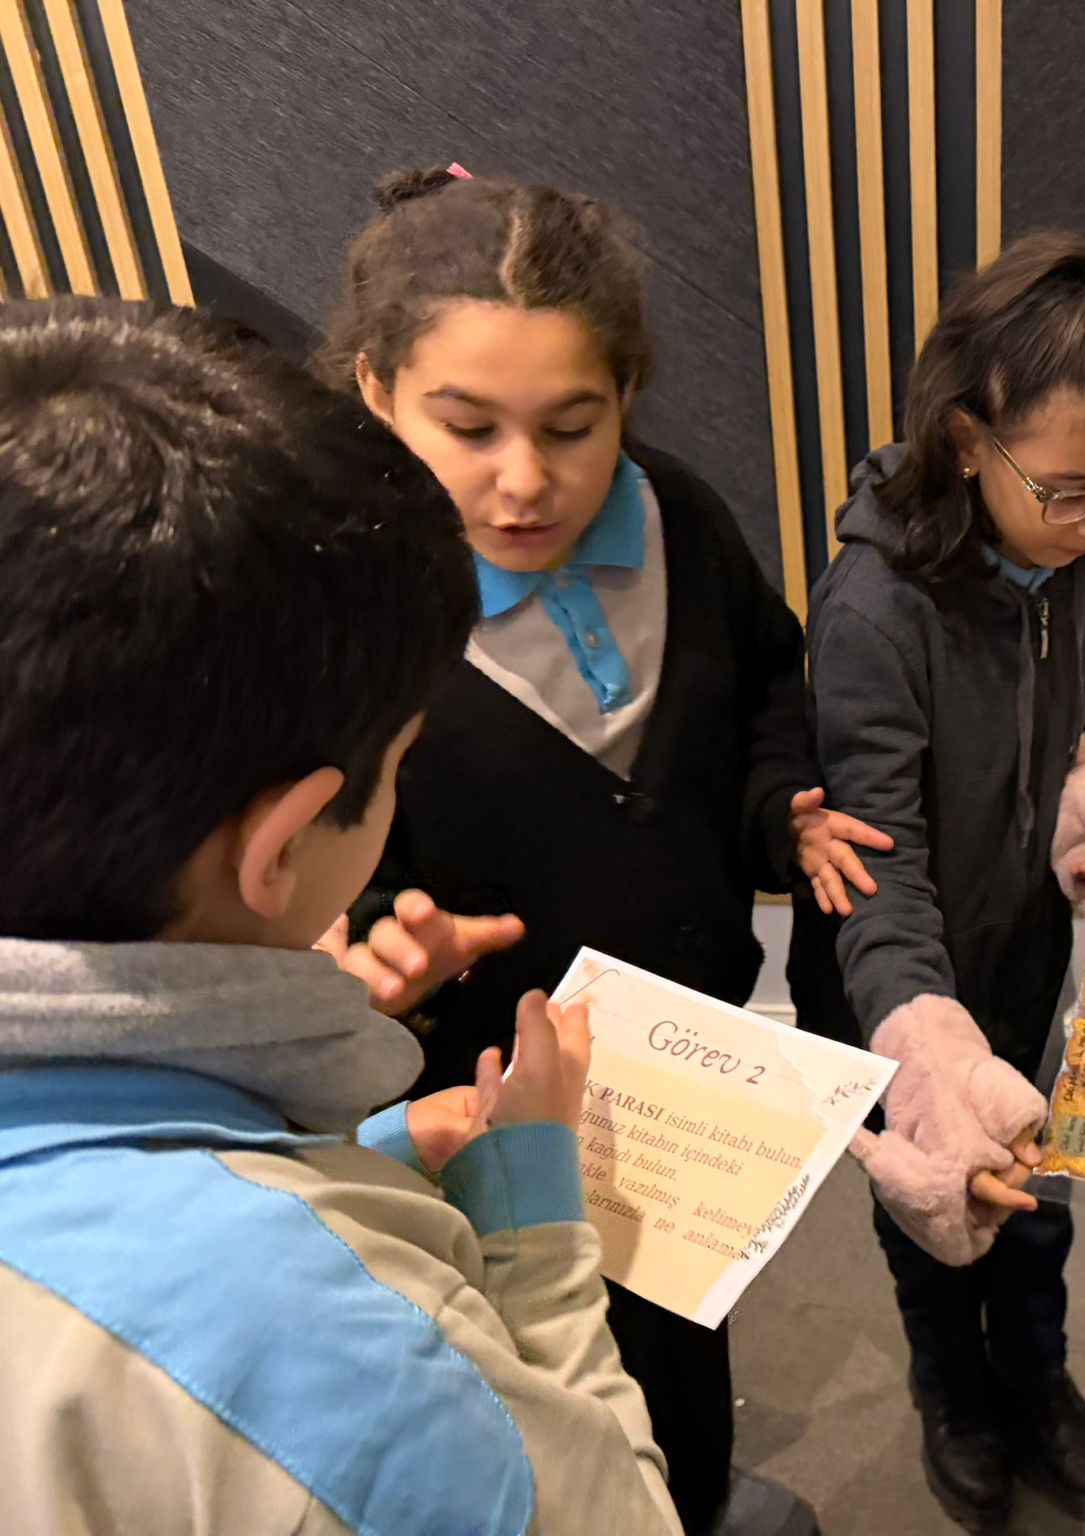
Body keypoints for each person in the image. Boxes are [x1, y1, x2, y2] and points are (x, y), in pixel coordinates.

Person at [0, 298, 681, 1535]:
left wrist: (347, 1165)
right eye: (400, 758)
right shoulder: (340, 1363)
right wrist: (530, 1231)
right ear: (281, 846)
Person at [318, 167, 881, 1536]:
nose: (525, 481)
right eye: (467, 428)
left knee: (681, 1333)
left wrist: (783, 807)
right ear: (377, 393)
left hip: (683, 1054)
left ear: (627, 395)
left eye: (573, 428)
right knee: (528, 1380)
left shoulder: (675, 512)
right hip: (481, 1098)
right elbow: (308, 858)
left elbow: (764, 685)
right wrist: (383, 947)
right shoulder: (341, 609)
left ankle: (694, 1492)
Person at [787, 231, 1085, 1531]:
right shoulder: (875, 608)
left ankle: (1037, 1379)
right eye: (1068, 492)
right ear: (966, 440)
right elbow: (877, 865)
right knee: (930, 1212)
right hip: (899, 984)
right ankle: (952, 1391)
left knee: (1038, 1198)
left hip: (1028, 955)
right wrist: (924, 1040)